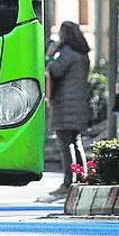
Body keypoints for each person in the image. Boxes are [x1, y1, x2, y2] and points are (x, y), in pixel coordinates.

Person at [47, 21, 91, 193]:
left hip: (65, 105)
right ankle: (82, 175)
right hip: (79, 103)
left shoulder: (66, 53)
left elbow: (55, 71)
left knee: (65, 144)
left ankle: (68, 181)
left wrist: (50, 57)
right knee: (76, 141)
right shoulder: (83, 54)